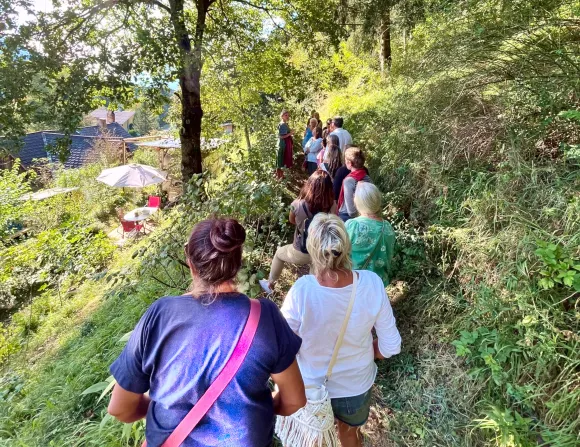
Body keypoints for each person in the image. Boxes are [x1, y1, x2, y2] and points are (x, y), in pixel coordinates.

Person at [108, 218, 306, 446]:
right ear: (238, 264)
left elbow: (121, 408)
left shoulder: (160, 315)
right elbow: (294, 399)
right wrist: (256, 409)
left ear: (190, 264)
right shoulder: (264, 317)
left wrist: (166, 415)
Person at [281, 213, 401, 447]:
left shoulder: (301, 290)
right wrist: (368, 351)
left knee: (315, 439)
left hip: (311, 387)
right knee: (350, 435)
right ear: (347, 246)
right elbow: (391, 346)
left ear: (312, 249)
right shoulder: (372, 283)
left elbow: (283, 346)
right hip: (355, 385)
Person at [260, 170, 336, 293]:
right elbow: (333, 224)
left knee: (279, 254)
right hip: (321, 252)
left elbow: (292, 220)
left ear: (309, 184)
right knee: (314, 278)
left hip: (302, 251)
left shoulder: (297, 204)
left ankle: (270, 284)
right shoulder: (332, 205)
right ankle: (313, 295)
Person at [346, 182, 396, 286]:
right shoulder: (387, 227)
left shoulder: (353, 225)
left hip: (354, 284)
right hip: (378, 285)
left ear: (358, 202)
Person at [336, 146, 371, 222]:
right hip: (365, 215)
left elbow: (351, 212)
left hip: (347, 217)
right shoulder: (367, 178)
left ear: (349, 163)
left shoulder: (348, 181)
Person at [277, 110, 294, 179]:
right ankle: (280, 176)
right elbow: (281, 136)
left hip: (284, 143)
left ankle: (281, 176)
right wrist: (291, 133)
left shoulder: (284, 123)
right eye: (286, 115)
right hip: (283, 144)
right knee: (281, 159)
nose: (287, 117)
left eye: (288, 115)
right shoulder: (282, 124)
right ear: (282, 116)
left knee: (282, 159)